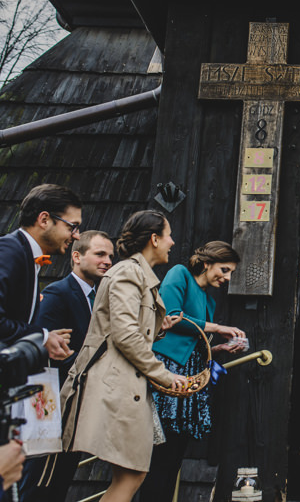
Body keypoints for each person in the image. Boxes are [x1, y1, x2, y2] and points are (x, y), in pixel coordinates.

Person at [60, 210, 188, 502]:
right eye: (168, 235)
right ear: (154, 239)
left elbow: (130, 330)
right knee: (131, 475)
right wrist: (165, 375)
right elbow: (125, 335)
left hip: (124, 386)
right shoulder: (129, 273)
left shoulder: (136, 274)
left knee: (131, 475)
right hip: (116, 387)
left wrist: (158, 326)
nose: (172, 242)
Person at [139, 241, 246, 502]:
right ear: (207, 263)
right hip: (168, 374)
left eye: (231, 272)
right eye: (224, 269)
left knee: (174, 455)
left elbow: (196, 341)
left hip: (191, 380)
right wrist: (217, 327)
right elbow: (172, 316)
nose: (227, 277)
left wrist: (218, 348)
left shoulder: (208, 298)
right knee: (159, 455)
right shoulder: (180, 274)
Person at [18, 231, 114, 502]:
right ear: (76, 256)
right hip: (50, 402)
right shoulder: (58, 292)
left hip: (79, 405)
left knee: (60, 480)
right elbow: (40, 352)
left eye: (110, 256)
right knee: (39, 479)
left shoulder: (100, 298)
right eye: (99, 254)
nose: (107, 261)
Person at [0, 184, 77, 359]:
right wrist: (42, 337)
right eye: (72, 226)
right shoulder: (9, 251)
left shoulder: (26, 255)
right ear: (44, 220)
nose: (76, 235)